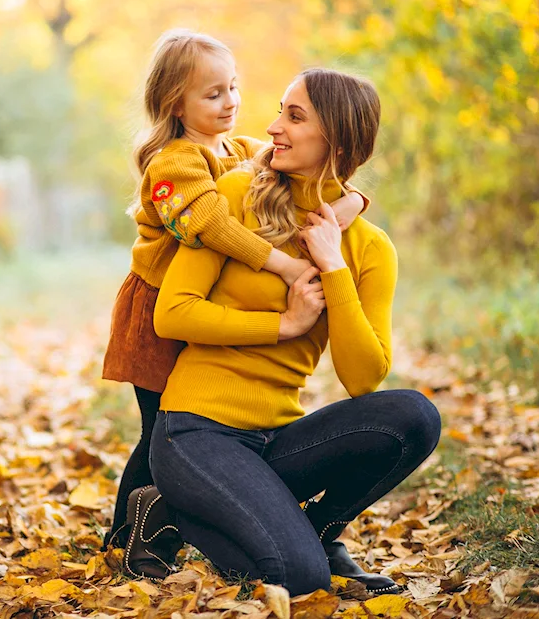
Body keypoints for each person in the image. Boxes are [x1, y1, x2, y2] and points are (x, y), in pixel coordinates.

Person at [124, 68, 441, 597]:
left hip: (274, 441)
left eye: (294, 117)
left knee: (414, 415)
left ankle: (318, 528)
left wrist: (334, 268)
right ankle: (168, 507)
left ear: (337, 140)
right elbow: (173, 313)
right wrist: (284, 325)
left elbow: (364, 378)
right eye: (279, 111)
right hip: (197, 432)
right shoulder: (233, 195)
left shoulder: (369, 247)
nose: (273, 127)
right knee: (302, 579)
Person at [101, 31, 369, 548]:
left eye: (234, 88)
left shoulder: (244, 150)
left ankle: (192, 512)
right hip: (158, 305)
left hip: (206, 300)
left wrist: (352, 203)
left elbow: (311, 172)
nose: (231, 103)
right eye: (213, 94)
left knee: (187, 422)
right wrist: (286, 268)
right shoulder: (173, 162)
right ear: (176, 104)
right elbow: (211, 225)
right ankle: (128, 536)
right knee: (159, 428)